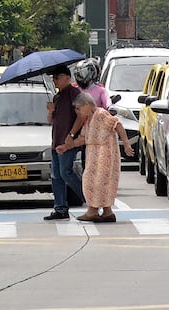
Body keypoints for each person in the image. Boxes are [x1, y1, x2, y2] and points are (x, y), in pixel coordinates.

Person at [62, 91, 132, 222]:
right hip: (94, 155)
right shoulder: (89, 119)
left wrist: (126, 144)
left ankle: (92, 211)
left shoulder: (101, 114)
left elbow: (117, 124)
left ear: (87, 105)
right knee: (95, 181)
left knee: (96, 181)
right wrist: (66, 147)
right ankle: (107, 212)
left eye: (79, 108)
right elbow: (83, 139)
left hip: (105, 154)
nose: (78, 112)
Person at [43, 64, 85, 221]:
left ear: (67, 77)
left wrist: (72, 135)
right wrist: (51, 111)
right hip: (56, 140)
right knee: (56, 176)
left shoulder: (74, 93)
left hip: (68, 141)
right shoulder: (57, 96)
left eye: (57, 77)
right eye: (53, 78)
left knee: (65, 172)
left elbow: (81, 116)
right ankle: (60, 208)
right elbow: (51, 121)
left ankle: (90, 199)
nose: (54, 81)